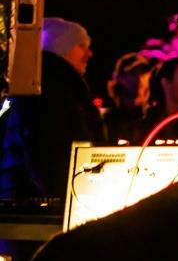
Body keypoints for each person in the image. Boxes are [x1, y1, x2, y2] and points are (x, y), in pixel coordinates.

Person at [0, 18, 107, 202]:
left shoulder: (58, 86)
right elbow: (50, 154)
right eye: (81, 45)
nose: (89, 53)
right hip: (42, 205)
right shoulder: (51, 90)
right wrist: (65, 199)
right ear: (61, 46)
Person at [100, 51, 156, 143]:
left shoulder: (154, 117)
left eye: (143, 73)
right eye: (133, 73)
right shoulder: (108, 121)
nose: (139, 78)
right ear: (120, 78)